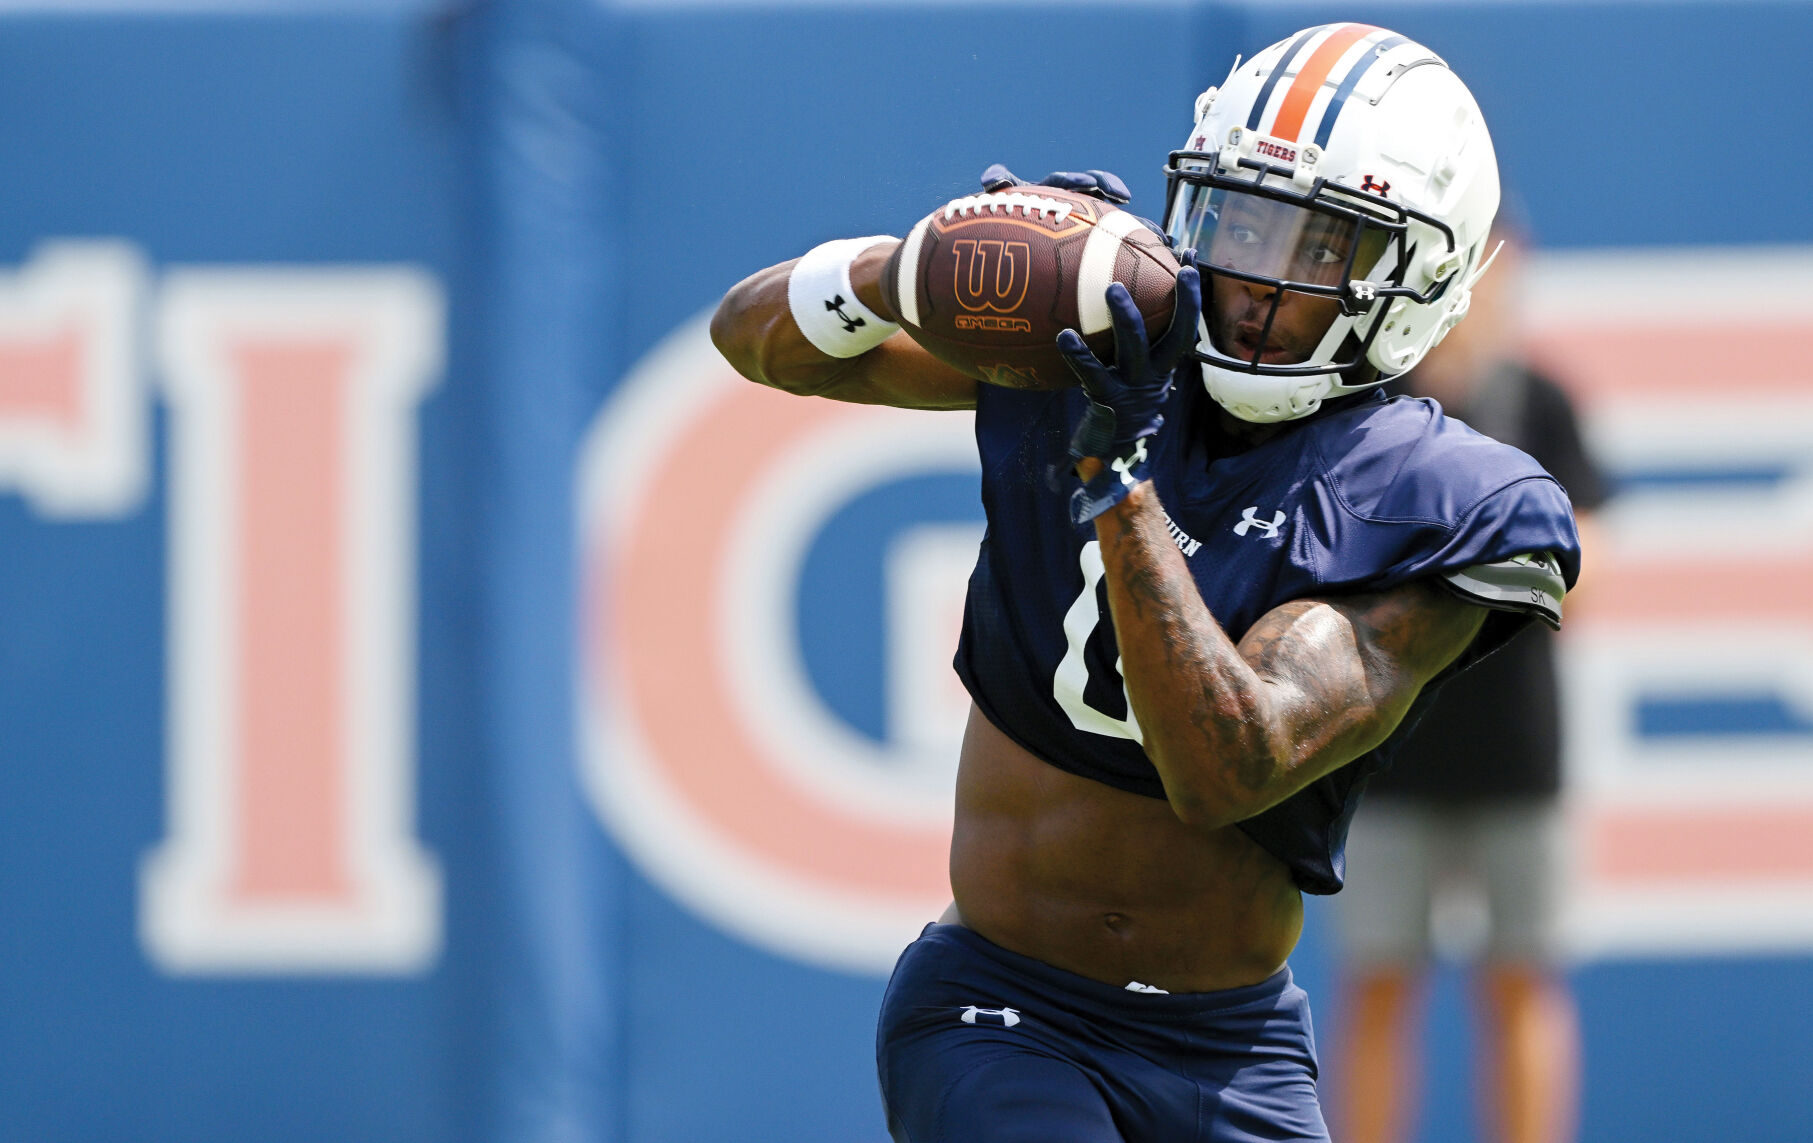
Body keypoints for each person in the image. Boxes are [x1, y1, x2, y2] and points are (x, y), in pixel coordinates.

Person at [711, 23, 1581, 1143]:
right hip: (1004, 1010)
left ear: (1412, 277)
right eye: (1239, 221)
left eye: (1315, 248)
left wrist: (1118, 482)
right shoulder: (1097, 340)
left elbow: (1229, 764)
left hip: (1234, 1048)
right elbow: (756, 339)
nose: (1259, 279)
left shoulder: (1434, 496)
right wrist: (909, 266)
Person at [1332, 220, 1607, 1143]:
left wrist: (1477, 567)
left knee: (1522, 976)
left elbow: (1587, 566)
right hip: (1382, 752)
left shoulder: (1540, 405)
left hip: (1517, 754)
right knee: (1375, 977)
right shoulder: (1371, 410)